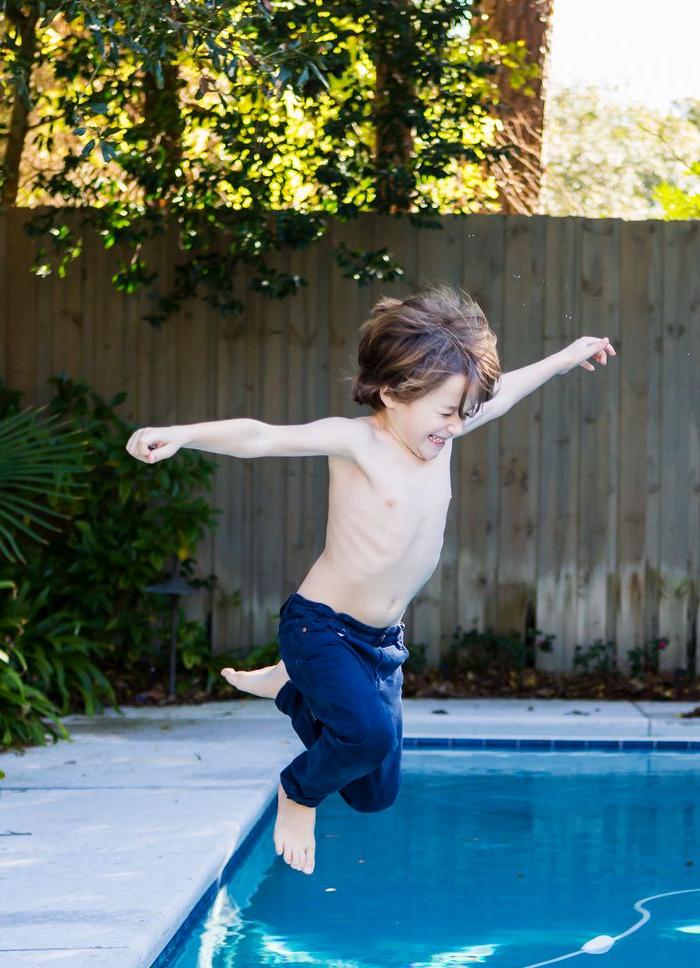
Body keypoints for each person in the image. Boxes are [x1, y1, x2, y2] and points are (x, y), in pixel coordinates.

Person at [125, 284, 616, 874]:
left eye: (464, 412)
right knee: (366, 738)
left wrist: (567, 356)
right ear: (391, 393)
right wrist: (183, 435)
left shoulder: (439, 436)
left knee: (372, 792)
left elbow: (502, 396)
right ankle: (296, 792)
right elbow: (261, 436)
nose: (457, 427)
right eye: (445, 412)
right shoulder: (358, 441)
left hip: (382, 644)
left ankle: (289, 690)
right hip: (321, 628)